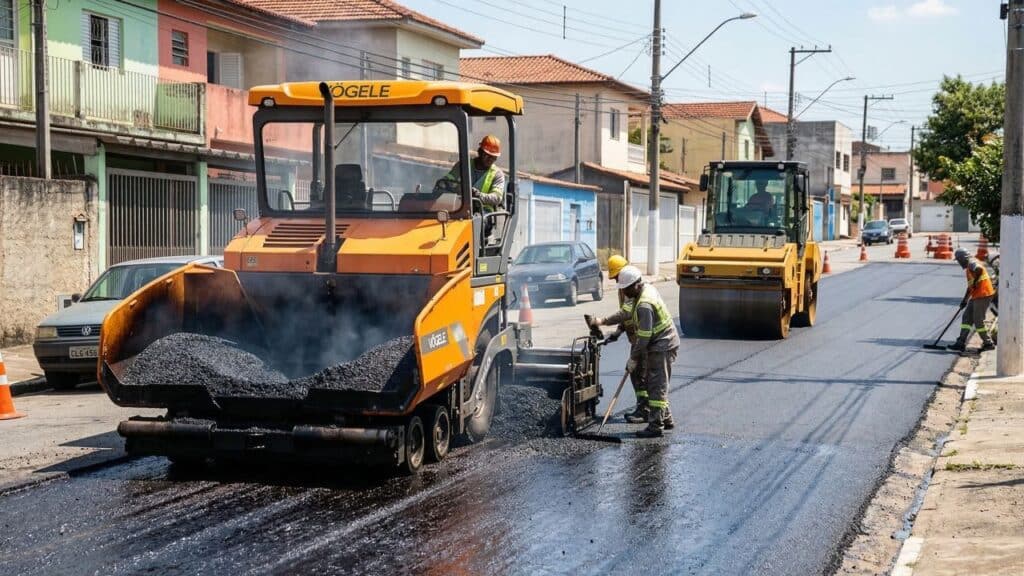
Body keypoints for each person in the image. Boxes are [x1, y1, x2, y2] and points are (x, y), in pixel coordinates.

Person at [615, 266, 679, 437]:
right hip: (660, 343)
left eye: (626, 288)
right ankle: (667, 419)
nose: (624, 292)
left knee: (656, 385)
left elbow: (643, 336)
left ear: (636, 285)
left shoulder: (644, 304)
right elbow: (626, 313)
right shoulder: (643, 291)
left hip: (663, 344)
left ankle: (655, 426)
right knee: (657, 383)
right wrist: (603, 321)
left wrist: (634, 358)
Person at [587, 255, 648, 423]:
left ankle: (645, 411)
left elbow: (626, 312)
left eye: (616, 277)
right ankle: (644, 409)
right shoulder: (625, 287)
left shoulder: (631, 287)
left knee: (641, 376)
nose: (616, 282)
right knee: (637, 375)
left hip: (642, 340)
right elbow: (627, 317)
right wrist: (618, 332)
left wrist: (602, 321)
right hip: (635, 338)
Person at [435, 135, 506, 212]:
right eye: (487, 155)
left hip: (482, 213)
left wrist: (479, 195)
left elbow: (497, 197)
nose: (490, 159)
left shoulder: (497, 174)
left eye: (493, 157)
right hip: (459, 208)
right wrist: (443, 184)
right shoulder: (464, 165)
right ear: (480, 152)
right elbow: (448, 179)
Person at [949, 247, 996, 353]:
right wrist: (964, 300)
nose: (959, 262)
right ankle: (960, 343)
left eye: (959, 260)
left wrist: (975, 281)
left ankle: (988, 343)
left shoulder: (971, 262)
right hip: (976, 295)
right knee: (966, 317)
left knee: (978, 320)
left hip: (984, 294)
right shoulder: (968, 269)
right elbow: (970, 287)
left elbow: (978, 269)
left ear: (963, 258)